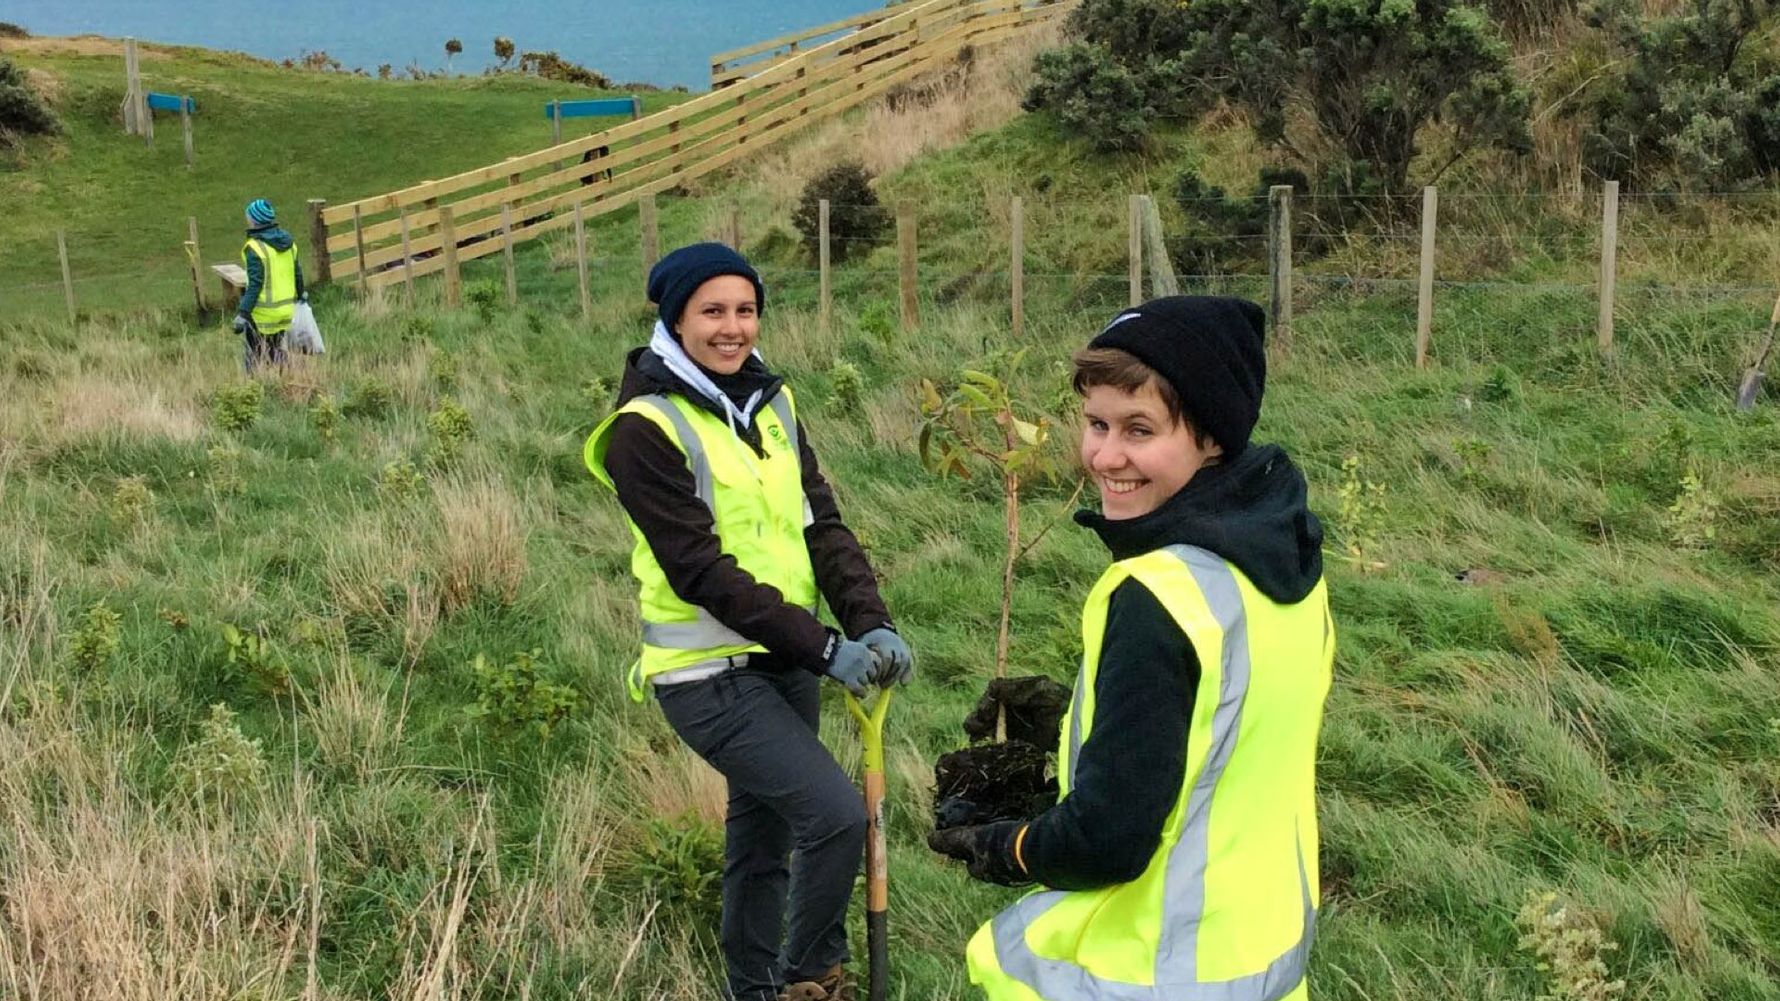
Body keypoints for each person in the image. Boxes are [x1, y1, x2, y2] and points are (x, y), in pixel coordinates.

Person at [928, 296, 1335, 1001]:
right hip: (1254, 958)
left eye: (1139, 429)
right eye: (1096, 423)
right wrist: (1083, 723)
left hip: (1146, 968)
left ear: (1212, 436)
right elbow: (1231, 730)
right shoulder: (1284, 561)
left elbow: (1107, 840)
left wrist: (1006, 845)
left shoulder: (1158, 592)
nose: (1105, 456)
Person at [584, 242, 915, 1001]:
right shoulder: (644, 429)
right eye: (713, 311)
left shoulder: (772, 404)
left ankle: (751, 986)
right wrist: (825, 647)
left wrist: (871, 620)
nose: (733, 328)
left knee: (763, 839)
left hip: (784, 661)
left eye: (746, 310)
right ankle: (809, 977)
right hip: (705, 675)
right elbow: (700, 572)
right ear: (676, 320)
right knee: (835, 817)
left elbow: (821, 524)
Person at [232, 198, 306, 373]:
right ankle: (290, 377)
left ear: (254, 220)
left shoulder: (254, 248)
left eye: (248, 216)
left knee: (254, 357)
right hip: (285, 311)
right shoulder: (289, 243)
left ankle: (254, 386)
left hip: (262, 314)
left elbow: (255, 285)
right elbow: (297, 273)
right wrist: (302, 295)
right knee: (274, 350)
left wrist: (243, 313)